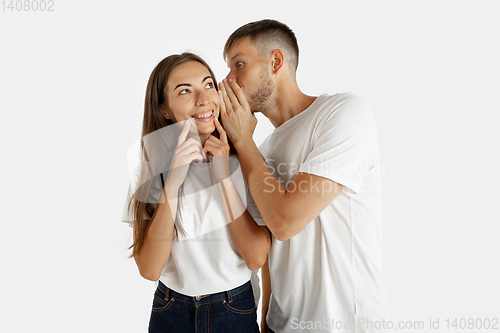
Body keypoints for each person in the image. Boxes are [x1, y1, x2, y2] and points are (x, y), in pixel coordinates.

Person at [218, 20, 389, 333]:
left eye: (238, 65)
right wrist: (267, 321)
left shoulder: (344, 112)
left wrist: (243, 141)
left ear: (276, 62)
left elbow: (285, 220)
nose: (228, 80)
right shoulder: (260, 153)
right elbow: (270, 252)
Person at [121, 52, 271, 333]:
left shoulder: (247, 162)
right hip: (170, 311)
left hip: (233, 309)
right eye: (185, 91)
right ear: (164, 109)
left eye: (208, 85)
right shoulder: (150, 169)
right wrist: (174, 182)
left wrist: (223, 178)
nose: (203, 99)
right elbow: (150, 269)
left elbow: (255, 258)